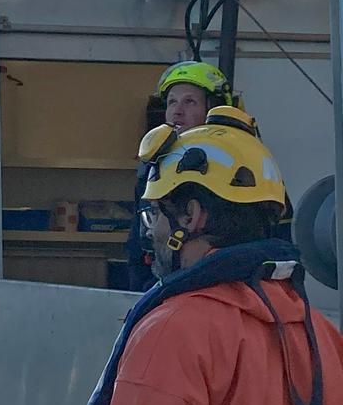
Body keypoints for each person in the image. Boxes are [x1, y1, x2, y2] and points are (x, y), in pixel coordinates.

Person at [85, 107, 343, 405]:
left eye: (154, 214)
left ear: (192, 216)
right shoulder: (321, 335)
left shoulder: (174, 333)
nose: (151, 233)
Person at [123, 61, 293, 290]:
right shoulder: (154, 170)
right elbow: (139, 246)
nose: (177, 111)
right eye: (172, 102)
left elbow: (279, 243)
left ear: (214, 108)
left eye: (189, 101)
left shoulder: (247, 168)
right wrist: (147, 297)